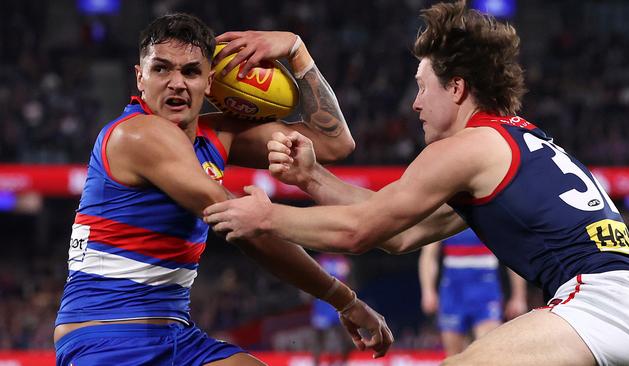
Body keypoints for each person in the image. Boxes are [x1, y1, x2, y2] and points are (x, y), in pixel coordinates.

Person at [203, 1, 629, 365]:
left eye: (422, 86)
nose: (415, 104)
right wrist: (312, 178)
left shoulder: (467, 146)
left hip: (595, 303)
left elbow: (359, 231)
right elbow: (403, 233)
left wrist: (266, 218)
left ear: (456, 89)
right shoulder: (512, 139)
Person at [54, 13, 393, 366]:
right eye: (161, 69)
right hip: (105, 339)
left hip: (177, 337)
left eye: (190, 71)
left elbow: (335, 143)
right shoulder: (136, 134)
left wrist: (296, 50)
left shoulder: (218, 136)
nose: (176, 83)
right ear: (140, 78)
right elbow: (248, 227)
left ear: (210, 82)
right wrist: (346, 300)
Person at [418, 229, 528, 356]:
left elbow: (513, 254)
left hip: (485, 291)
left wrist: (519, 296)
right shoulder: (445, 215)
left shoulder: (490, 214)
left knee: (488, 352)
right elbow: (429, 255)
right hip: (454, 293)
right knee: (454, 357)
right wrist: (428, 291)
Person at [310, 253, 355, 365]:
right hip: (323, 305)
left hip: (340, 305)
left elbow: (352, 283)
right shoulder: (320, 261)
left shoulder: (344, 262)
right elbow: (310, 280)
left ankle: (342, 363)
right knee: (319, 340)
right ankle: (316, 364)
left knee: (349, 340)